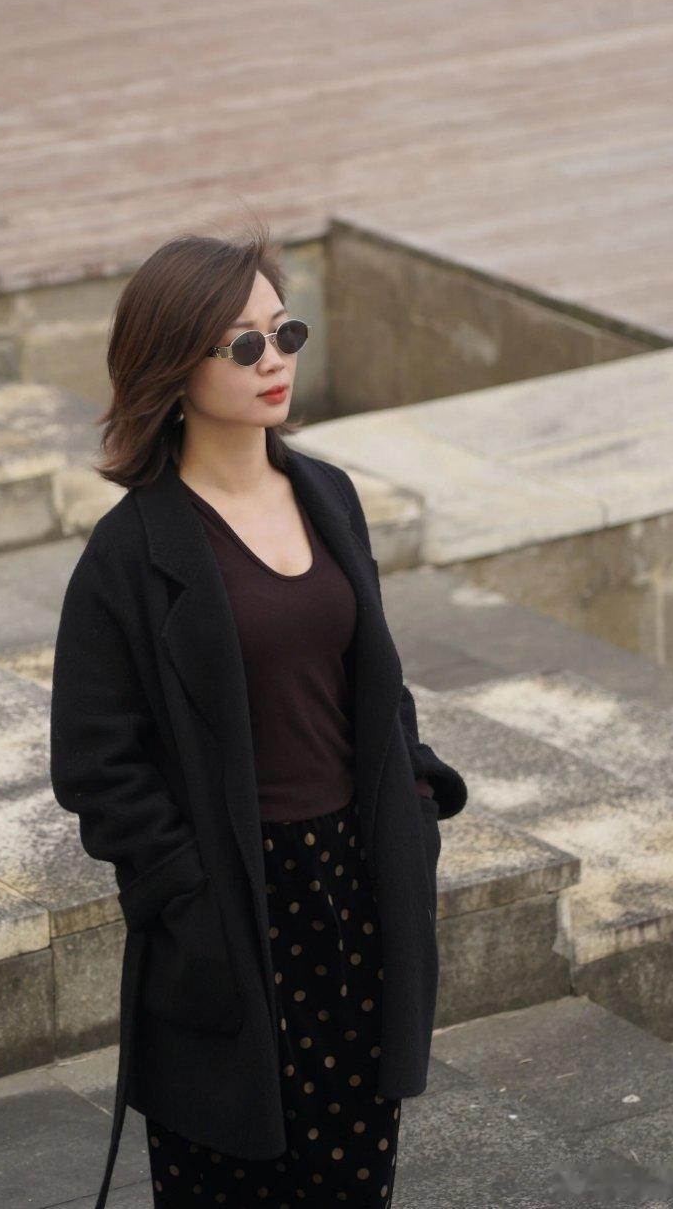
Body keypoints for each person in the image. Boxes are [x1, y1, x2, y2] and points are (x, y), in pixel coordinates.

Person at [50, 220, 468, 1207]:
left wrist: (412, 808)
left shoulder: (327, 494)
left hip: (357, 888)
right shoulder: (130, 554)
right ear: (173, 367)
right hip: (230, 907)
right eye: (243, 345)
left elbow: (376, 679)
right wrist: (185, 898)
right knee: (230, 1178)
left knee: (354, 1175)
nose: (274, 360)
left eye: (286, 334)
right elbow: (97, 763)